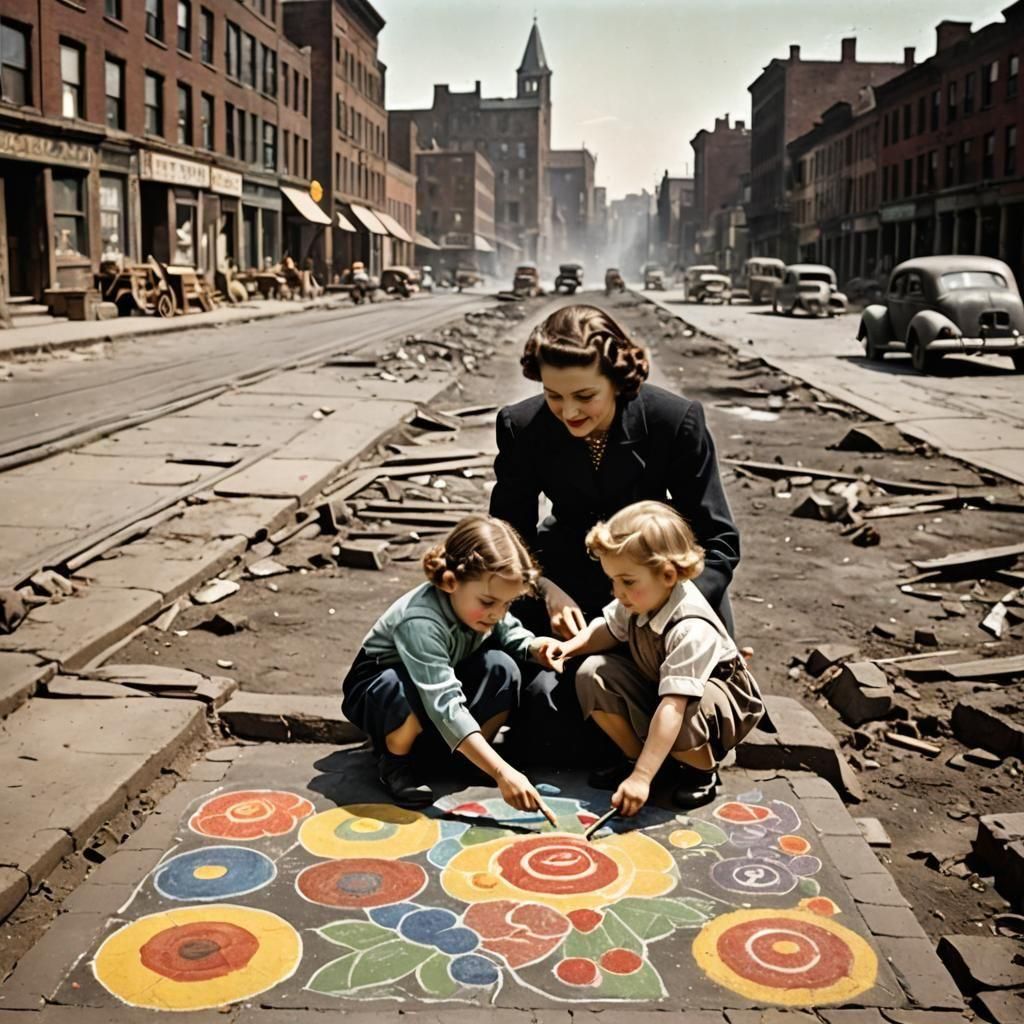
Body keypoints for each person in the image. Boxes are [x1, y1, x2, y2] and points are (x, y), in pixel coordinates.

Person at [489, 304, 741, 758]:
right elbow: (508, 539)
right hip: (570, 594)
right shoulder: (521, 426)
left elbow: (718, 543)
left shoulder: (674, 420)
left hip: (666, 601)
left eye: (585, 396)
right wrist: (545, 589)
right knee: (543, 711)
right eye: (553, 396)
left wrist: (657, 604)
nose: (568, 411)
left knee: (683, 713)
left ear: (619, 382)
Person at [549, 501, 765, 813]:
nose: (617, 591)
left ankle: (701, 772)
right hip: (662, 687)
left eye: (626, 581)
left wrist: (641, 779)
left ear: (667, 575)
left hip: (711, 703)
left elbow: (673, 706)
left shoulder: (690, 626)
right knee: (592, 672)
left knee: (686, 714)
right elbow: (608, 629)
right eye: (613, 580)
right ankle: (642, 760)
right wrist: (570, 648)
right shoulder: (639, 598)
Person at [341, 514, 561, 818]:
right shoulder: (420, 621)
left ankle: (467, 758)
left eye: (507, 604)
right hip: (382, 690)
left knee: (502, 667)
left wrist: (535, 646)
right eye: (488, 602)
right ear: (450, 582)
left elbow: (507, 630)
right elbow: (443, 703)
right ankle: (394, 762)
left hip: (438, 683)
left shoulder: (477, 607)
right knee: (399, 689)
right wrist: (502, 772)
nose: (497, 613)